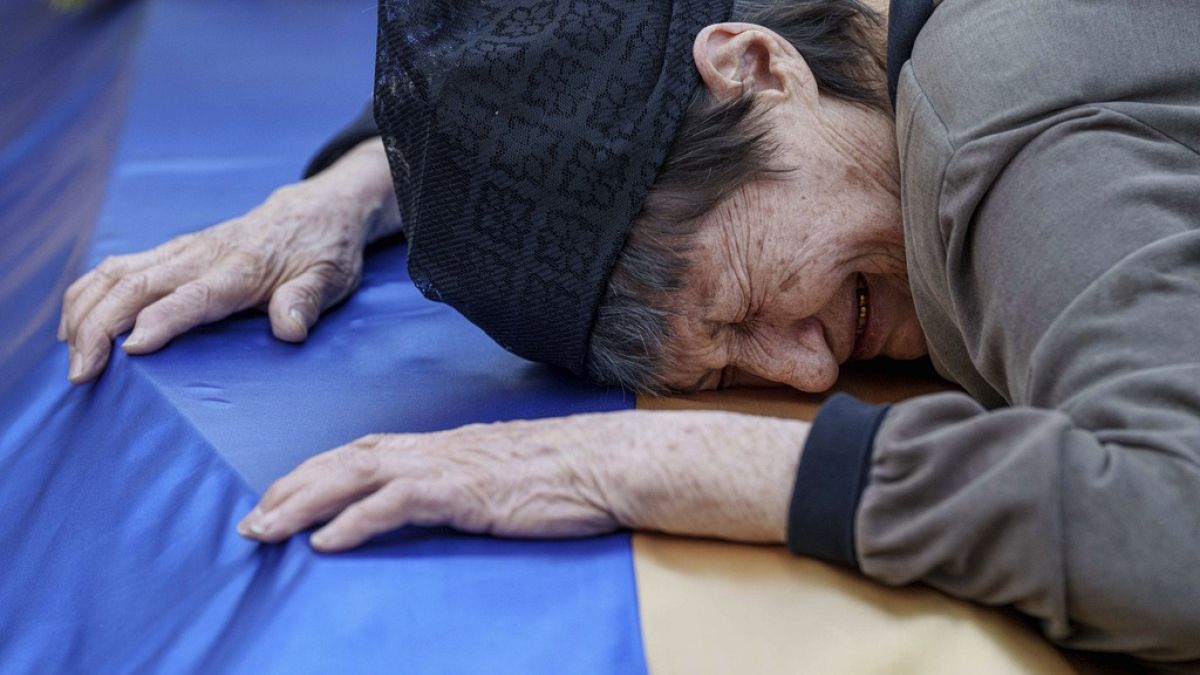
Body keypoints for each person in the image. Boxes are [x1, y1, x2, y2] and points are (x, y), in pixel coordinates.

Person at [58, 0, 1200, 665]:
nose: (807, 373)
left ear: (755, 63)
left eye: (752, 298)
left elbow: (1174, 531)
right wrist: (348, 193)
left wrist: (645, 459)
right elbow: (582, 67)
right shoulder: (818, 62)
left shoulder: (1014, 142)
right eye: (727, 371)